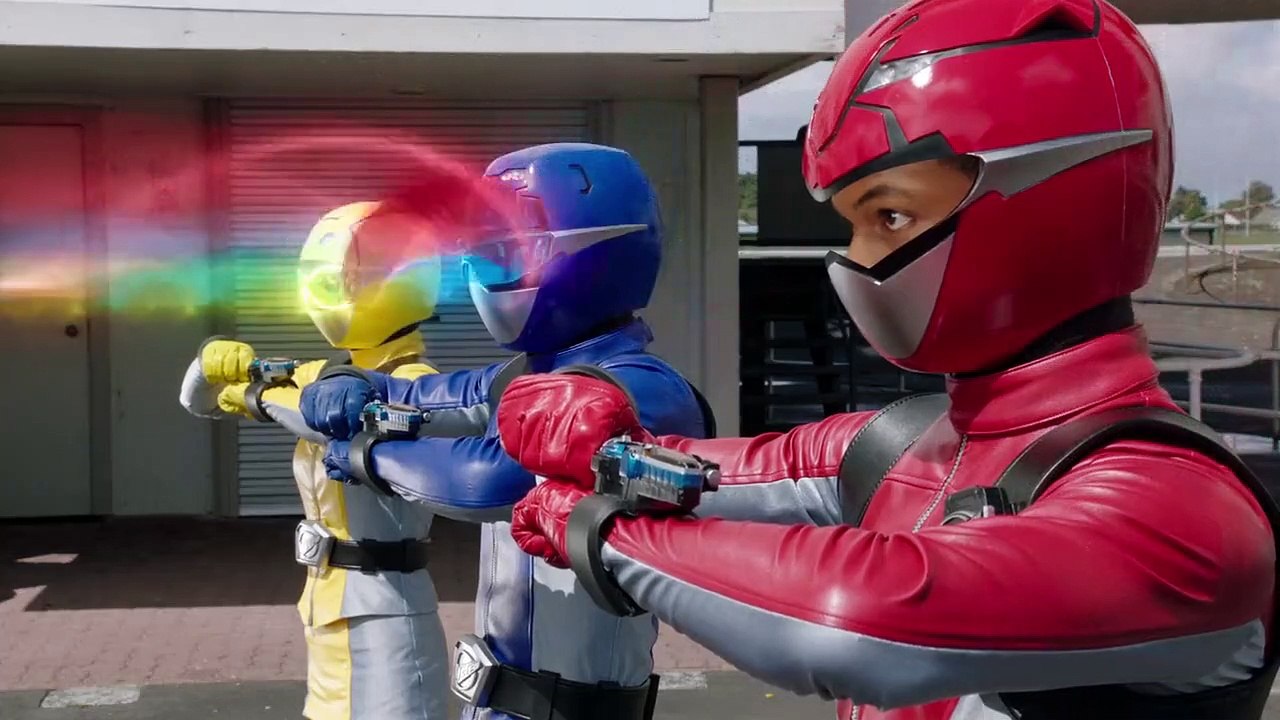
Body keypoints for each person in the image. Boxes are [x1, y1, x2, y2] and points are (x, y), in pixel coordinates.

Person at [492, 2, 1280, 719]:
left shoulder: (1178, 507)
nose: (856, 260)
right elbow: (723, 472)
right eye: (854, 223)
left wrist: (596, 530)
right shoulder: (909, 442)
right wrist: (599, 442)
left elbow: (858, 620)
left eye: (892, 215)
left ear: (1056, 193)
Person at [298, 143, 713, 720]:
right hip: (500, 701)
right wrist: (355, 380)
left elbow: (494, 477)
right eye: (484, 252)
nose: (488, 270)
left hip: (578, 707)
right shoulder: (529, 375)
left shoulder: (642, 388)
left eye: (507, 250)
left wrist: (367, 456)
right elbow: (438, 394)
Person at [179, 201, 450, 720]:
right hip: (325, 606)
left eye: (347, 278)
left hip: (386, 612)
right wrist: (207, 363)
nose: (334, 292)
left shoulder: (418, 383)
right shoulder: (322, 375)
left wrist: (260, 396)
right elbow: (198, 402)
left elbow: (327, 418)